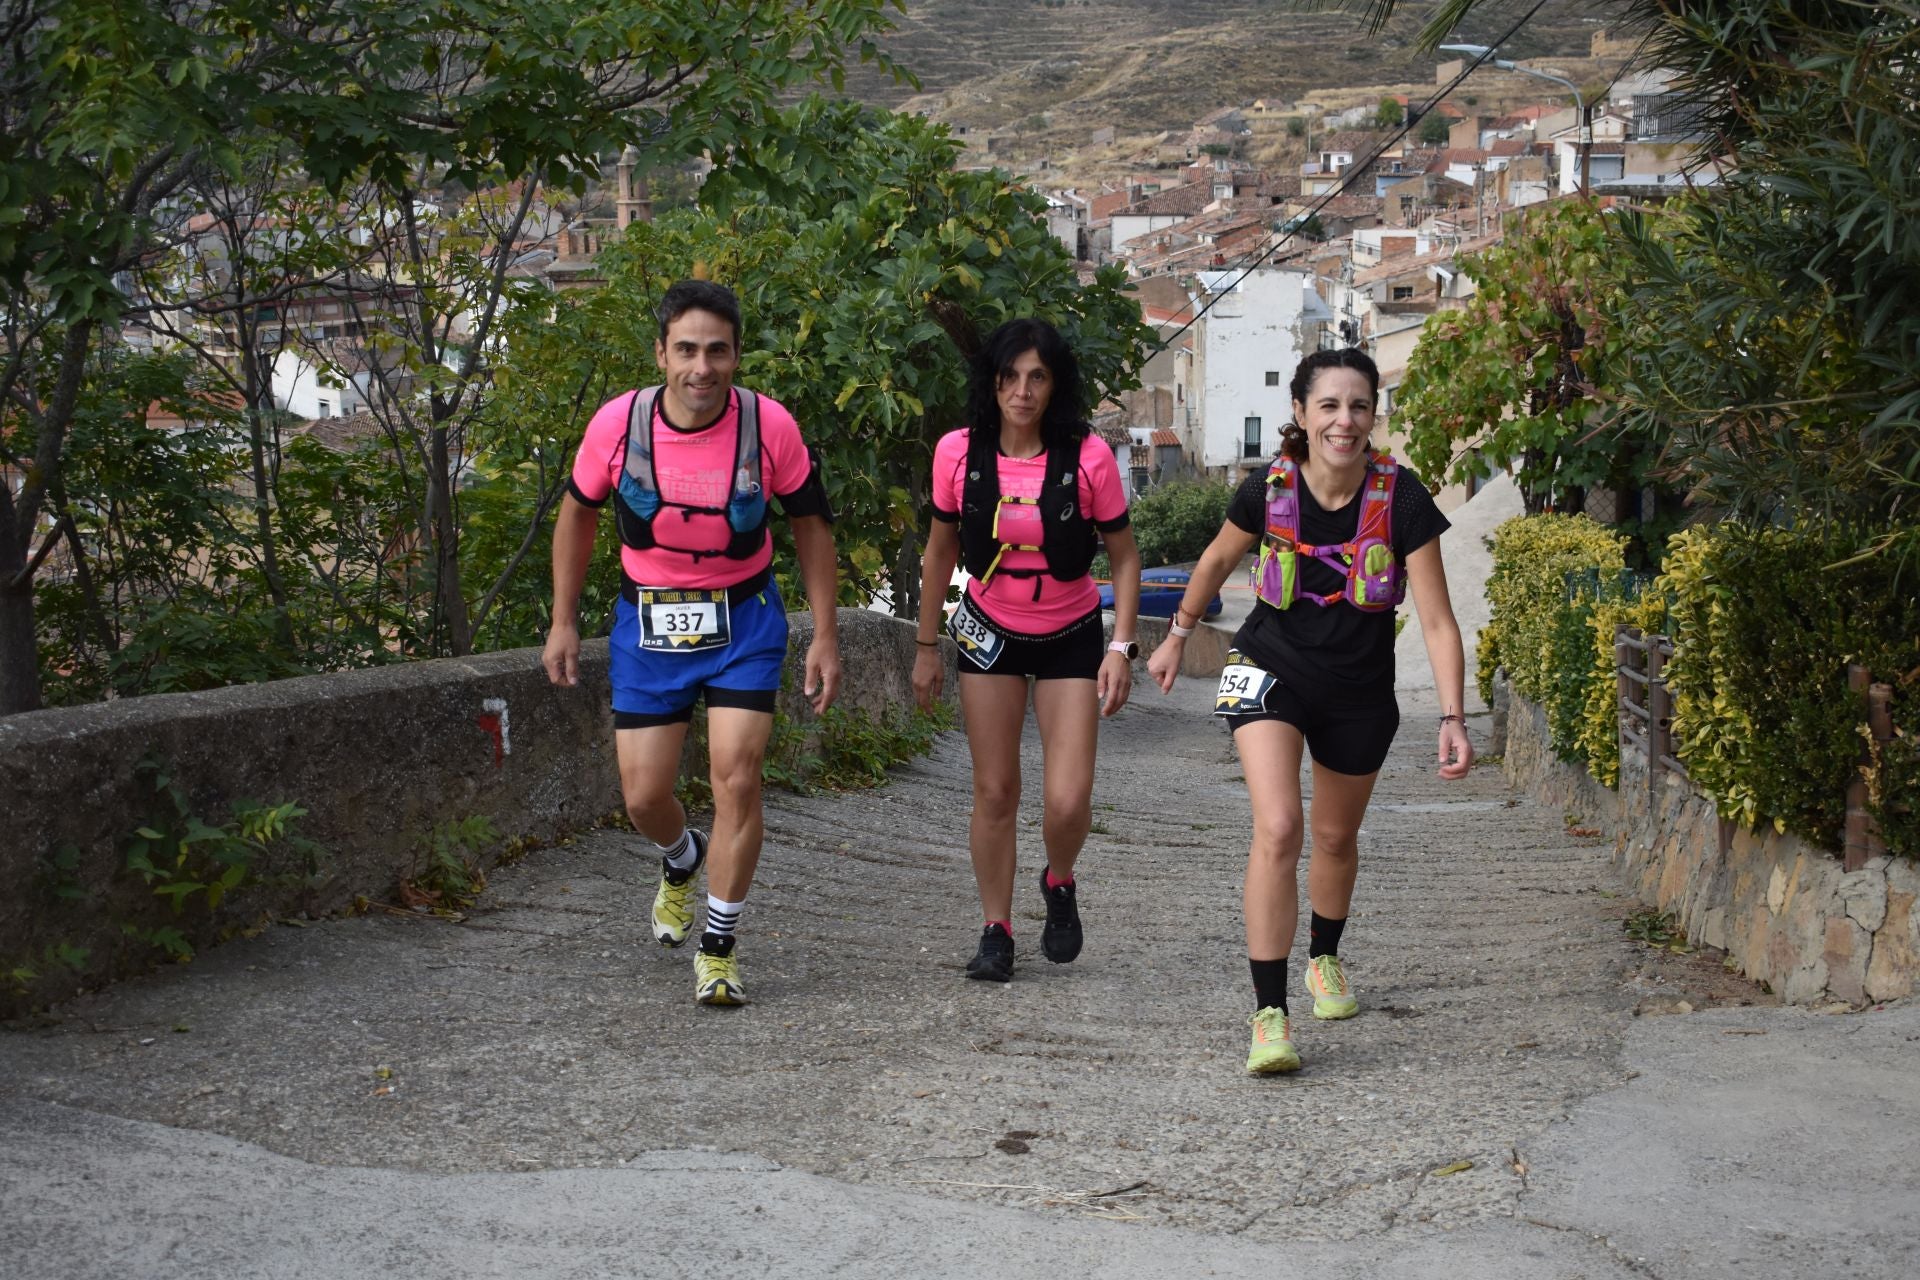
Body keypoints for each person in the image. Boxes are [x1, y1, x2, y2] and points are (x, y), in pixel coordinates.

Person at [1145, 347, 1471, 1074]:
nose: (1344, 421)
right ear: (1300, 414)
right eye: (1328, 406)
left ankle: (1325, 955)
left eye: (1358, 406)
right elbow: (1214, 562)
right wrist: (1175, 638)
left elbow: (1440, 621)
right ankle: (1269, 1015)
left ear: (1373, 416)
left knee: (1334, 836)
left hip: (1360, 688)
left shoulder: (1404, 498)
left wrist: (1452, 717)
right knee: (1280, 826)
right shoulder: (1268, 489)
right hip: (1263, 666)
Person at [542, 279, 842, 1008]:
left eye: (716, 351)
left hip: (742, 623)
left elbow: (810, 525)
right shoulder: (619, 424)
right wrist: (563, 618)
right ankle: (681, 859)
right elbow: (577, 517)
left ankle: (718, 946)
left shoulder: (770, 427)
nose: (700, 368)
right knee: (645, 796)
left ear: (737, 356)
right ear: (661, 353)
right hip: (648, 627)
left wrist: (825, 632)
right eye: (686, 350)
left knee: (737, 779)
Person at [911, 317, 1142, 983]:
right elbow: (939, 553)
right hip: (989, 634)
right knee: (996, 789)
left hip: (1070, 632)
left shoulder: (1088, 457)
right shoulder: (957, 452)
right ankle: (996, 930)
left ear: (1054, 385)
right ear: (992, 383)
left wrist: (1121, 647)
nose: (1021, 390)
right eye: (1010, 377)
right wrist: (926, 645)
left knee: (1067, 801)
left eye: (1036, 377)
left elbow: (1125, 559)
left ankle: (1059, 879)